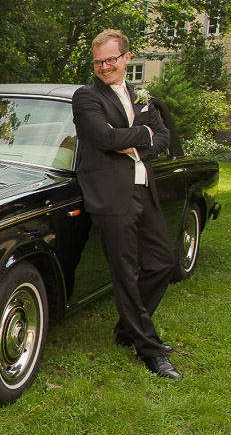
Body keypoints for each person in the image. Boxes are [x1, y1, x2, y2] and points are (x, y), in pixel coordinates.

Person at [71, 29, 182, 380]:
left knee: (163, 262)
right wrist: (144, 133)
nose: (105, 67)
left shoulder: (140, 95)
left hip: (142, 189)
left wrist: (136, 140)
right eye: (98, 62)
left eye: (111, 60)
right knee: (126, 274)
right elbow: (104, 138)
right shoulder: (86, 97)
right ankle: (149, 349)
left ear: (126, 58)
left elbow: (162, 138)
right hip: (109, 195)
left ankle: (128, 329)